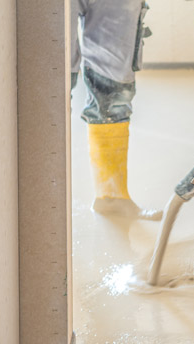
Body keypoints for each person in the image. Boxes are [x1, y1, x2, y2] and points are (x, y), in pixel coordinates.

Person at [71, 0, 162, 220]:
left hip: (119, 55)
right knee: (109, 111)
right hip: (105, 57)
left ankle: (112, 197)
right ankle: (110, 198)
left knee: (116, 110)